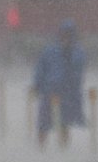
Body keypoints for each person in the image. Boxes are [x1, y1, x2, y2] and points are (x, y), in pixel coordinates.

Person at [31, 18, 86, 149]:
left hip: (68, 92)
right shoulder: (50, 51)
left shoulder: (78, 52)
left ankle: (63, 149)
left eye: (69, 33)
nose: (66, 37)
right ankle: (41, 149)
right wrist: (37, 85)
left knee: (64, 122)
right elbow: (41, 69)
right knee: (43, 122)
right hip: (49, 91)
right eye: (64, 33)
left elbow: (78, 72)